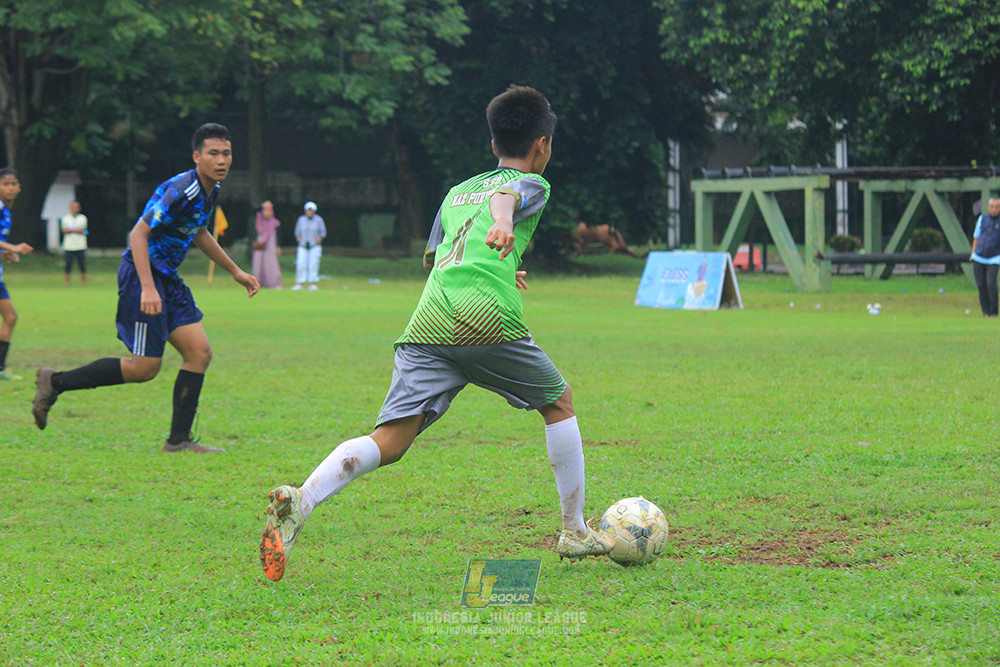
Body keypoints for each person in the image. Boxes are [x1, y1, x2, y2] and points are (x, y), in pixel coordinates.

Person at [259, 85, 613, 582]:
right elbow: (507, 197)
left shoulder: (454, 193)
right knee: (559, 403)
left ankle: (303, 498)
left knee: (391, 440)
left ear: (492, 145)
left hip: (429, 319)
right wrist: (504, 225)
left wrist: (501, 264)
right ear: (542, 145)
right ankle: (576, 531)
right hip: (484, 318)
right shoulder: (532, 183)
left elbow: (440, 256)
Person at [31, 123, 260, 452]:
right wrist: (149, 288)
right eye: (213, 153)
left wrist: (236, 271)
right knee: (144, 368)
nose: (221, 160)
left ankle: (178, 440)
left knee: (198, 354)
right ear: (197, 157)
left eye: (226, 153)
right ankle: (55, 382)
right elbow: (138, 235)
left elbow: (199, 232)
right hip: (142, 276)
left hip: (167, 278)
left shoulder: (212, 189)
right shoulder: (184, 189)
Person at [0, 168, 33, 381]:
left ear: (19, 188)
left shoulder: (6, 210)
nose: (10, 187)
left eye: (13, 183)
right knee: (10, 317)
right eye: (6, 183)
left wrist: (5, 252)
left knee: (10, 317)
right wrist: (13, 247)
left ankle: (0, 368)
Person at [970, 197, 1000, 317]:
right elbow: (976, 237)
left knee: (991, 283)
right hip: (979, 256)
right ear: (988, 207)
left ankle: (993, 311)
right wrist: (973, 253)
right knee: (981, 285)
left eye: (996, 207)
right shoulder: (982, 219)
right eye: (992, 207)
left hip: (994, 258)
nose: (994, 209)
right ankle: (985, 312)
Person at [291, 202, 326, 290]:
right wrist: (298, 238)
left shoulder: (319, 220)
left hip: (314, 246)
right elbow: (297, 231)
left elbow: (323, 232)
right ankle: (300, 282)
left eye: (311, 210)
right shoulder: (301, 219)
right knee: (301, 264)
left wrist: (319, 238)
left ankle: (313, 282)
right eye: (308, 210)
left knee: (313, 264)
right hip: (303, 245)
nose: (309, 212)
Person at [252, 200, 282, 289]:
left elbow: (279, 235)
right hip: (260, 246)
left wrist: (278, 246)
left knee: (271, 263)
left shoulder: (275, 223)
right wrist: (262, 205)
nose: (267, 213)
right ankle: (258, 283)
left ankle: (274, 283)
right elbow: (254, 210)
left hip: (270, 245)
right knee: (259, 264)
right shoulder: (259, 221)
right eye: (265, 211)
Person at [61, 200, 88, 286]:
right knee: (68, 265)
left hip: (80, 245)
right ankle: (67, 282)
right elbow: (64, 230)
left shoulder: (82, 218)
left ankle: (83, 282)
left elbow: (82, 230)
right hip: (68, 246)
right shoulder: (65, 218)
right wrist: (76, 230)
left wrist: (70, 230)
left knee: (82, 265)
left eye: (76, 207)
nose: (74, 209)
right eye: (73, 207)